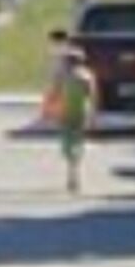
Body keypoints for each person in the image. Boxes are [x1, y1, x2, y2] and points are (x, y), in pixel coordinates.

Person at [56, 49, 96, 193]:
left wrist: (91, 114)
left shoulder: (82, 77)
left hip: (75, 112)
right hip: (72, 111)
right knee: (73, 143)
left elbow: (90, 95)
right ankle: (73, 171)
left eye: (68, 61)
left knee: (70, 143)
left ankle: (73, 173)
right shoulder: (70, 76)